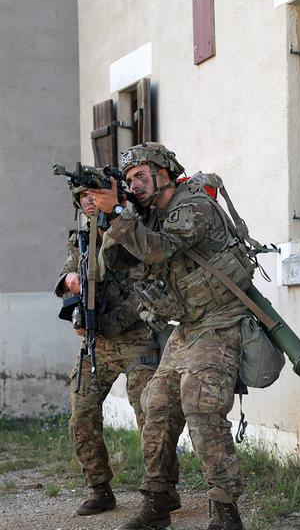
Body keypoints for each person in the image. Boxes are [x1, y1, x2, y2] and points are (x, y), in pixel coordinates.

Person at [90, 142, 253, 530]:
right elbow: (116, 260)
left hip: (220, 320)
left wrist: (117, 211)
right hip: (188, 326)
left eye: (141, 178)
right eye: (129, 181)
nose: (136, 186)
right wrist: (117, 214)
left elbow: (160, 251)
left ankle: (226, 510)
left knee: (202, 408)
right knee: (156, 404)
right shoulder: (149, 215)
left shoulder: (193, 206)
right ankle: (158, 500)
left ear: (163, 173)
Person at [54, 181, 169, 517]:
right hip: (96, 345)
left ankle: (163, 490)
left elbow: (148, 287)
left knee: (150, 415)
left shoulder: (132, 229)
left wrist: (109, 322)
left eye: (94, 195)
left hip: (136, 338)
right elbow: (64, 275)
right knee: (82, 416)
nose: (89, 201)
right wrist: (70, 282)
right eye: (82, 197)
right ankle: (100, 489)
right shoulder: (80, 238)